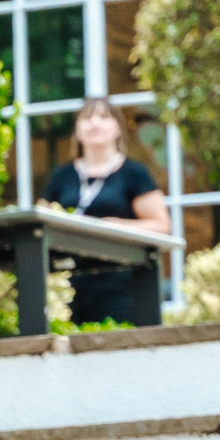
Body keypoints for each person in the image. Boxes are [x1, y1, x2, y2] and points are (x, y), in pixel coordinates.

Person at [39, 97, 171, 325]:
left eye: (103, 117)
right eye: (87, 118)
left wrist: (114, 226)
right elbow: (40, 222)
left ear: (118, 128)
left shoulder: (134, 174)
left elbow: (161, 226)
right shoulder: (62, 176)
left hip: (120, 283)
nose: (95, 123)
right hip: (68, 285)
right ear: (77, 131)